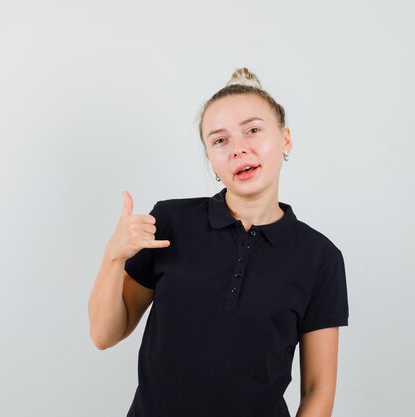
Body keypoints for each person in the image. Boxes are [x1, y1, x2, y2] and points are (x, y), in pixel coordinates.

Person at [88, 67, 349, 417]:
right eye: (220, 140)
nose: (238, 149)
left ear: (285, 140)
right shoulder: (169, 222)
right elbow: (106, 335)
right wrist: (112, 258)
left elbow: (319, 389)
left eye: (253, 130)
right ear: (210, 159)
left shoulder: (320, 257)